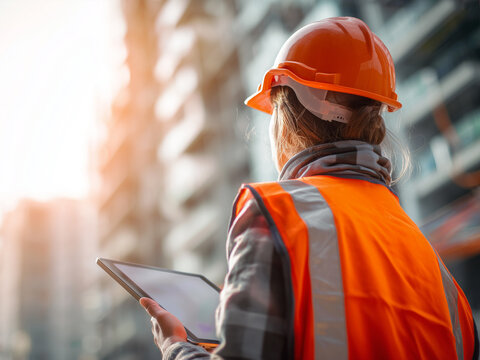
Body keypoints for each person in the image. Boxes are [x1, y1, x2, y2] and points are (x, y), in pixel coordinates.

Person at [140, 17, 479, 359]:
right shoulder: (439, 272)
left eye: (273, 109)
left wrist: (175, 347)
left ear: (286, 118)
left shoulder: (276, 215)